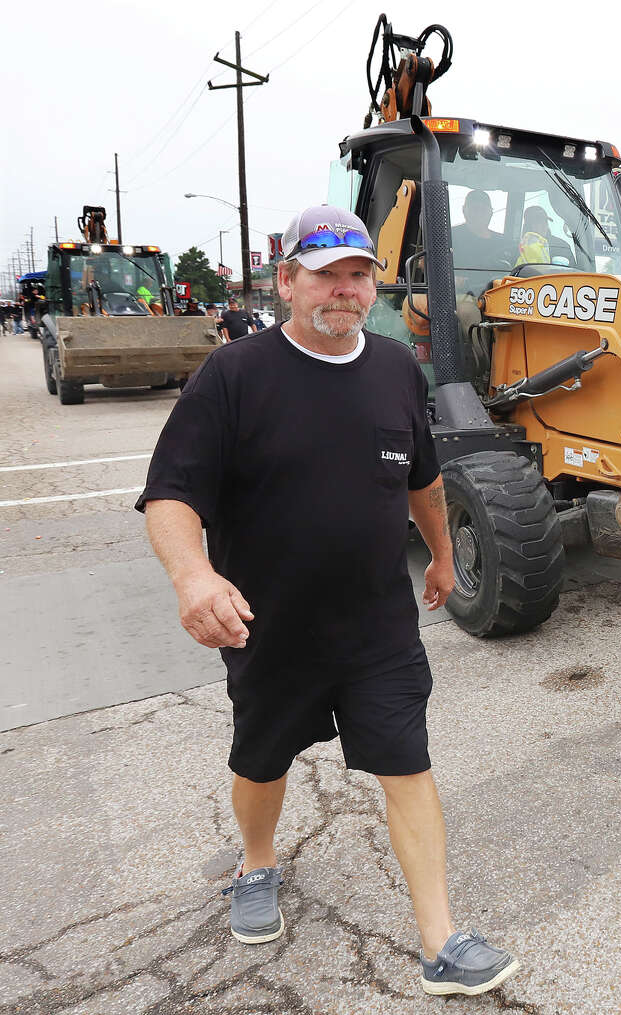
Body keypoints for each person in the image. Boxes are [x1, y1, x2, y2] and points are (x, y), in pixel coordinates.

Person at [136, 204, 519, 998]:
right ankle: (257, 863)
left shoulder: (392, 369)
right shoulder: (234, 375)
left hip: (377, 623)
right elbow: (170, 494)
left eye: (358, 275)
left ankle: (441, 939)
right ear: (286, 281)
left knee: (407, 763)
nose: (344, 291)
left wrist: (445, 555)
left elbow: (421, 479)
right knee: (262, 758)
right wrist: (194, 577)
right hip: (268, 625)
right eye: (326, 275)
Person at [450, 189, 508, 271]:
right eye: (475, 209)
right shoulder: (449, 237)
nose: (479, 213)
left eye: (483, 209)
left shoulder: (504, 242)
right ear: (464, 210)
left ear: (491, 212)